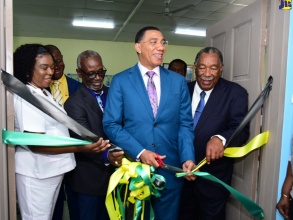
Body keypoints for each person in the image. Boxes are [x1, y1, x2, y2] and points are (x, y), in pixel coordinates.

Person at [102, 26, 196, 220]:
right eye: (154, 42)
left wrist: (187, 157)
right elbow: (111, 124)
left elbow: (185, 124)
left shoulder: (178, 82)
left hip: (171, 170)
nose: (161, 47)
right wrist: (141, 152)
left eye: (163, 42)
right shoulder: (121, 81)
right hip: (136, 172)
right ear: (138, 46)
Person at [13, 43, 110, 220]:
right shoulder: (28, 97)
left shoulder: (44, 93)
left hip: (50, 172)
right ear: (29, 68)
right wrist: (81, 148)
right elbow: (36, 144)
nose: (51, 72)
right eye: (44, 67)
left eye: (52, 66)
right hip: (37, 173)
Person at [179, 47, 250, 220]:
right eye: (202, 67)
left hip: (213, 180)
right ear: (195, 67)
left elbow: (241, 131)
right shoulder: (181, 90)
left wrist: (221, 138)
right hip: (180, 176)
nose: (207, 73)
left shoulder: (236, 93)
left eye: (213, 68)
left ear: (221, 68)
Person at [64, 50, 124, 220]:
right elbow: (87, 140)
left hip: (116, 176)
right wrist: (108, 155)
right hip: (89, 180)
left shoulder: (114, 94)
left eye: (101, 72)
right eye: (91, 74)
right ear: (79, 73)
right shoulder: (74, 104)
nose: (98, 78)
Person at [45, 44, 81, 220]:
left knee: (76, 201)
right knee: (54, 202)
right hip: (50, 155)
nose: (57, 66)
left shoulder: (77, 87)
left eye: (59, 61)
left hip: (77, 155)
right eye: (52, 63)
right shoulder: (39, 90)